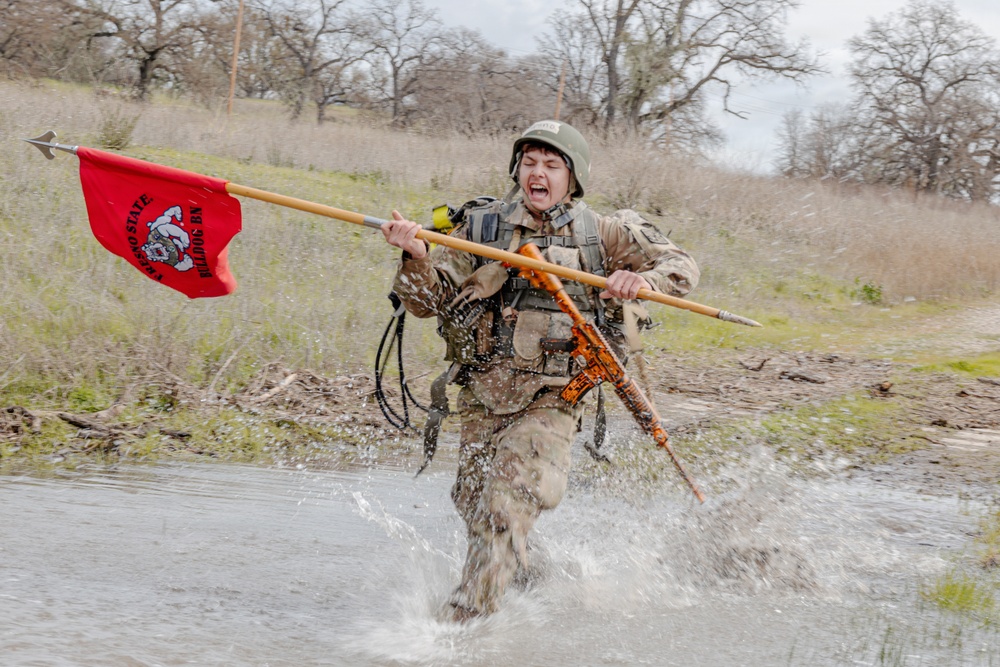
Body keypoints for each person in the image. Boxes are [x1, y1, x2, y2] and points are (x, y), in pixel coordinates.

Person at [380, 120, 699, 621]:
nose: (538, 173)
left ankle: (461, 627)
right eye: (529, 162)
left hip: (554, 398)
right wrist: (415, 256)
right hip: (483, 396)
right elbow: (427, 302)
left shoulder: (604, 233)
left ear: (572, 177)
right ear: (516, 169)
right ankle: (539, 585)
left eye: (551, 165)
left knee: (503, 511)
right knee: (473, 503)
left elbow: (682, 267)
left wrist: (640, 278)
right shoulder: (481, 227)